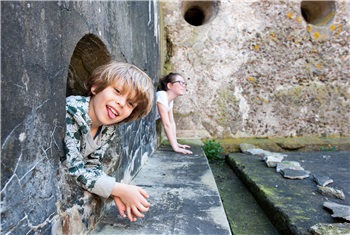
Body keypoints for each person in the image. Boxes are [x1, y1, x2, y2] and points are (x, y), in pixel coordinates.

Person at [63, 61, 154, 222]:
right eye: (117, 91)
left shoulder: (107, 129)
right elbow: (74, 169)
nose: (121, 103)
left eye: (130, 103)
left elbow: (92, 165)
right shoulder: (72, 112)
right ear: (96, 87)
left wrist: (113, 192)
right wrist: (119, 189)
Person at [156, 72, 193, 154]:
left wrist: (176, 143)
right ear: (169, 85)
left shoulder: (170, 101)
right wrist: (175, 148)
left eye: (184, 83)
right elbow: (166, 124)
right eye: (180, 82)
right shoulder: (162, 95)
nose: (183, 85)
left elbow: (171, 123)